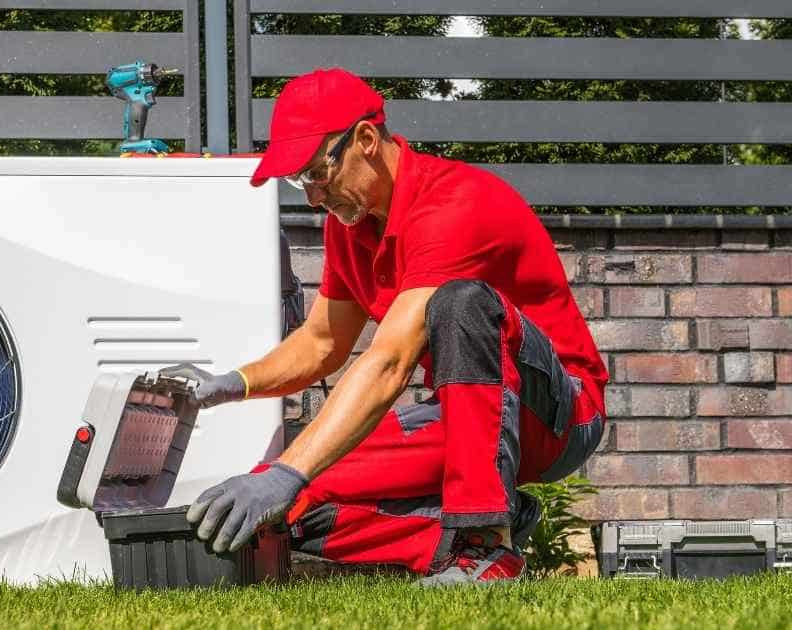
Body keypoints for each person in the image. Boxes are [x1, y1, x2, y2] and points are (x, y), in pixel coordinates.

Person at [160, 68, 607, 586]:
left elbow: (390, 360)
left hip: (558, 415)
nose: (311, 197)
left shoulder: (455, 205)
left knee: (460, 303)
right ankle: (472, 532)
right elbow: (322, 342)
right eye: (298, 181)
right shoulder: (350, 226)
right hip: (466, 419)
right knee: (286, 505)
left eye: (315, 173)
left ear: (366, 140)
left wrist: (290, 469)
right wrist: (231, 384)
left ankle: (484, 544)